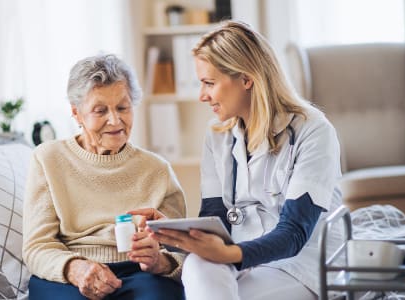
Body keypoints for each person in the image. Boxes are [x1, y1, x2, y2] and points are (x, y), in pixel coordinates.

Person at [130, 20, 343, 299]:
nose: (202, 96)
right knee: (197, 264)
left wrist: (229, 253)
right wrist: (173, 230)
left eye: (209, 83)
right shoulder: (217, 135)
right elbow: (216, 221)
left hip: (299, 264)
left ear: (246, 79)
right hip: (239, 259)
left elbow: (293, 234)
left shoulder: (313, 131)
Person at [22, 54, 187, 300]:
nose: (115, 120)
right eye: (100, 111)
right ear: (76, 113)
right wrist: (75, 268)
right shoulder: (48, 159)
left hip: (139, 272)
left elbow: (181, 251)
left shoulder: (157, 170)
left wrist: (160, 262)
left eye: (123, 107)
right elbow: (37, 247)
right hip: (70, 271)